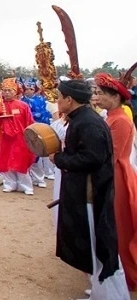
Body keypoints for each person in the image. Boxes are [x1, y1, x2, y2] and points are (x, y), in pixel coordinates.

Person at [51, 79, 128, 298]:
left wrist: (59, 159)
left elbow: (92, 158)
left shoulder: (87, 123)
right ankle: (99, 294)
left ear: (69, 99)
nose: (57, 102)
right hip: (85, 193)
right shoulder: (81, 119)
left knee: (99, 249)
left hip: (90, 195)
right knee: (94, 250)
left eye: (59, 97)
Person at [95, 73, 137, 290]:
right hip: (112, 175)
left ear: (115, 97)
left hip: (117, 177)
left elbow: (111, 155)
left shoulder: (120, 120)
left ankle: (124, 275)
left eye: (101, 93)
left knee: (118, 226)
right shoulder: (110, 117)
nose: (97, 97)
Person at [0, 78, 35, 195]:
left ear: (15, 92)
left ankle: (26, 186)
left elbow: (29, 122)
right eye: (4, 90)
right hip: (5, 138)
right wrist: (0, 117)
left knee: (21, 161)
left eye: (9, 90)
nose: (6, 93)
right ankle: (9, 184)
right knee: (4, 161)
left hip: (20, 138)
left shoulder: (23, 106)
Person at [23, 81, 55, 186]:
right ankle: (32, 177)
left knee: (42, 152)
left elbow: (44, 113)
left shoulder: (41, 99)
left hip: (40, 128)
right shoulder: (22, 101)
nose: (28, 91)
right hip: (28, 130)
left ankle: (43, 176)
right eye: (26, 89)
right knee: (30, 154)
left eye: (31, 89)